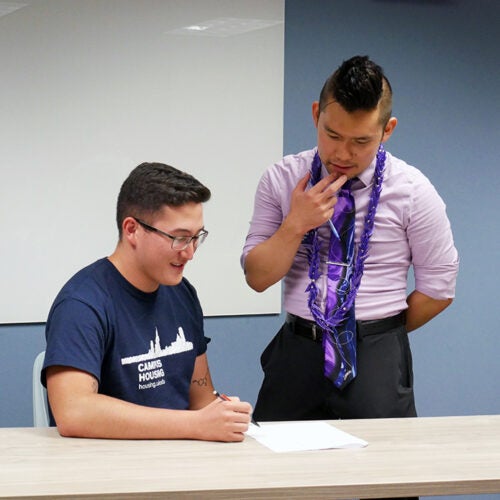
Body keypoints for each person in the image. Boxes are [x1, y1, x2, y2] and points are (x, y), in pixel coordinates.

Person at [241, 55, 459, 422]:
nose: (342, 153)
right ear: (315, 115)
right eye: (332, 135)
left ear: (387, 130)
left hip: (375, 351)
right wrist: (297, 224)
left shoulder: (413, 191)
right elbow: (257, 278)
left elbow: (438, 290)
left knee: (383, 470)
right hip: (298, 349)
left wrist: (376, 333)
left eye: (361, 141)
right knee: (279, 470)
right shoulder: (281, 179)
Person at [43, 162, 252, 441]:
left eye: (196, 237)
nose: (190, 253)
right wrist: (195, 425)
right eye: (179, 238)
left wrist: (223, 416)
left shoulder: (182, 293)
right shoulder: (81, 303)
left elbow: (201, 398)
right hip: (108, 468)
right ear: (132, 230)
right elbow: (74, 412)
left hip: (180, 459)